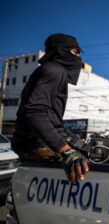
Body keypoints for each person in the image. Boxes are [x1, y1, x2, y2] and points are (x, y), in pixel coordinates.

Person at [11, 33, 89, 183]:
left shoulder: (52, 72)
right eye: (76, 52)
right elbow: (34, 113)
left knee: (104, 150)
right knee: (99, 159)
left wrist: (80, 144)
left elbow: (54, 123)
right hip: (37, 145)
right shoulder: (54, 71)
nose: (79, 58)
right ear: (61, 51)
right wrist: (66, 150)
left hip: (40, 142)